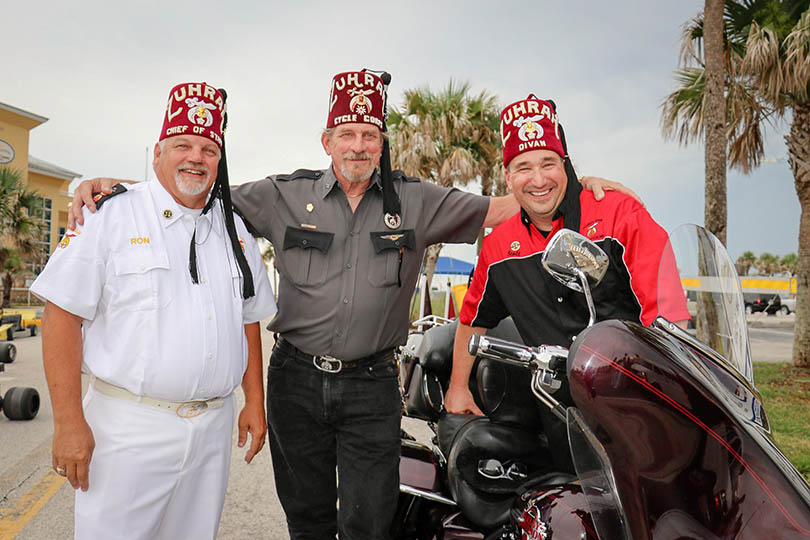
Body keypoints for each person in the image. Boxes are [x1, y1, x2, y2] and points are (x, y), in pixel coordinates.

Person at [68, 72, 639, 540]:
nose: (358, 145)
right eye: (347, 133)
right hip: (294, 380)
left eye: (369, 133)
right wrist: (111, 185)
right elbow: (195, 189)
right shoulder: (282, 195)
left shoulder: (418, 202)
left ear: (381, 140)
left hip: (370, 387)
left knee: (370, 521)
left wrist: (573, 179)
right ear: (327, 141)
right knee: (307, 518)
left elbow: (499, 207)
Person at [31, 82, 277, 540]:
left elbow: (248, 318)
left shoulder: (235, 231)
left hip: (211, 429)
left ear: (219, 162)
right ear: (158, 152)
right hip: (128, 429)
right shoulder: (109, 215)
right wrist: (67, 423)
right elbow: (61, 316)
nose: (195, 157)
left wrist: (255, 403)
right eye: (182, 144)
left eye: (208, 148)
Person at [446, 95, 690, 470]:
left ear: (566, 164)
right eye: (523, 167)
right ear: (508, 176)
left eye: (549, 163)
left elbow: (670, 319)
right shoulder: (498, 247)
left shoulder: (620, 214)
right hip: (560, 416)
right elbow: (473, 316)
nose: (539, 179)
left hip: (640, 408)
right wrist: (458, 386)